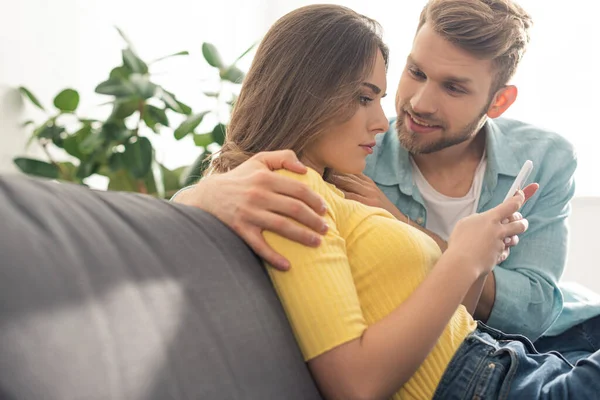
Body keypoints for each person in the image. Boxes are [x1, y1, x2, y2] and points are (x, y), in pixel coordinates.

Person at [191, 4, 600, 398]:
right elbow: (233, 179)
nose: (417, 104)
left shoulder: (547, 155)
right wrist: (208, 191)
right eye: (416, 72)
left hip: (556, 337)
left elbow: (528, 312)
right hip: (496, 372)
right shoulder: (345, 155)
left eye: (454, 87)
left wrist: (449, 245)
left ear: (498, 102)